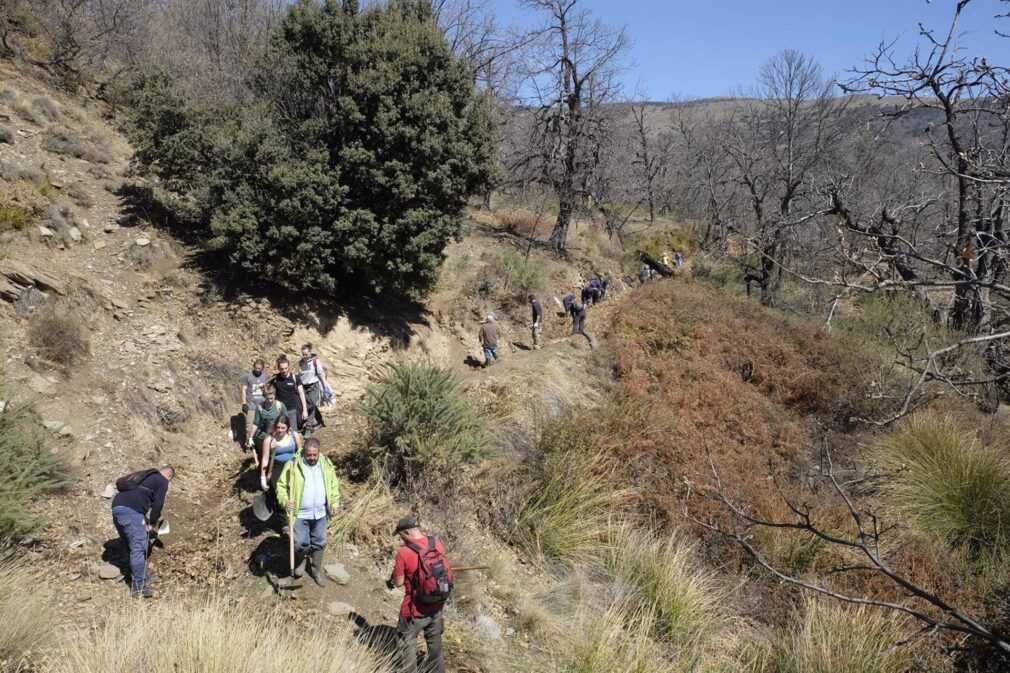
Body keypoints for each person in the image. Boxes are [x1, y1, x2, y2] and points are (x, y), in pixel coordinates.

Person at [387, 516, 450, 673]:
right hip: (437, 605)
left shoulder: (404, 553)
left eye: (401, 535)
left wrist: (393, 577)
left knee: (406, 642)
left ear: (407, 532)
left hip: (414, 609)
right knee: (435, 644)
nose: (401, 539)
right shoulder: (436, 543)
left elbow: (399, 582)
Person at [276, 438, 340, 586]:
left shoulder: (326, 464)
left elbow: (333, 485)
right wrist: (285, 500)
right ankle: (301, 560)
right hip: (300, 513)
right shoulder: (293, 464)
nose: (311, 458)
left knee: (319, 542)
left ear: (319, 452)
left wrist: (335, 502)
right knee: (300, 543)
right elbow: (280, 486)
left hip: (321, 513)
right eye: (308, 455)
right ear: (304, 452)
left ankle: (316, 570)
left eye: (314, 455)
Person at [111, 466, 175, 598]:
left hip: (117, 508)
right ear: (169, 476)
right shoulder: (162, 480)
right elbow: (158, 504)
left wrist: (145, 522)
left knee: (132, 545)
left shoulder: (145, 477)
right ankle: (138, 588)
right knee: (138, 548)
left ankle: (143, 577)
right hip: (131, 512)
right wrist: (152, 523)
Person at [259, 415, 303, 535]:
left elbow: (300, 453)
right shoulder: (269, 439)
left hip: (292, 467)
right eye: (278, 427)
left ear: (288, 427)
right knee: (279, 495)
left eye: (283, 428)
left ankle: (296, 518)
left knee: (293, 492)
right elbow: (265, 459)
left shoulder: (294, 436)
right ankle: (284, 524)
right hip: (277, 468)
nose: (280, 430)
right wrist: (263, 477)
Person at [297, 344, 329, 437]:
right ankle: (320, 421)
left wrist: (325, 386)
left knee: (310, 406)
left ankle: (308, 428)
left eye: (306, 354)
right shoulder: (301, 362)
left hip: (313, 386)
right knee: (311, 405)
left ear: (310, 352)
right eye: (303, 354)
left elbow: (321, 374)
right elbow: (301, 375)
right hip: (304, 387)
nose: (304, 356)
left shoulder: (316, 361)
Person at [251, 384, 287, 463]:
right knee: (263, 458)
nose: (270, 400)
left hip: (276, 436)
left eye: (272, 398)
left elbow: (286, 421)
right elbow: (256, 423)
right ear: (264, 397)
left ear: (274, 395)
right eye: (268, 399)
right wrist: (250, 437)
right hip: (262, 436)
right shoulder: (260, 407)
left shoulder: (280, 406)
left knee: (274, 458)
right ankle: (262, 474)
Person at [271, 356, 308, 432]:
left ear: (288, 367)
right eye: (282, 369)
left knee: (293, 433)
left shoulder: (295, 378)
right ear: (278, 368)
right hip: (279, 410)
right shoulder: (275, 378)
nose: (284, 370)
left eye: (286, 368)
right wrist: (262, 386)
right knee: (278, 432)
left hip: (292, 410)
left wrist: (305, 410)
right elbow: (268, 391)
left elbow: (301, 394)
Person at [240, 358, 269, 453]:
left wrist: (264, 388)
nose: (258, 370)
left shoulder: (265, 376)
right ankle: (248, 445)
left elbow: (266, 391)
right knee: (249, 426)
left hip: (262, 405)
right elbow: (244, 389)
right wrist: (244, 403)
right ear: (254, 367)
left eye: (259, 369)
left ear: (262, 368)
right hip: (251, 405)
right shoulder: (248, 377)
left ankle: (260, 444)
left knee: (262, 425)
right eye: (256, 368)